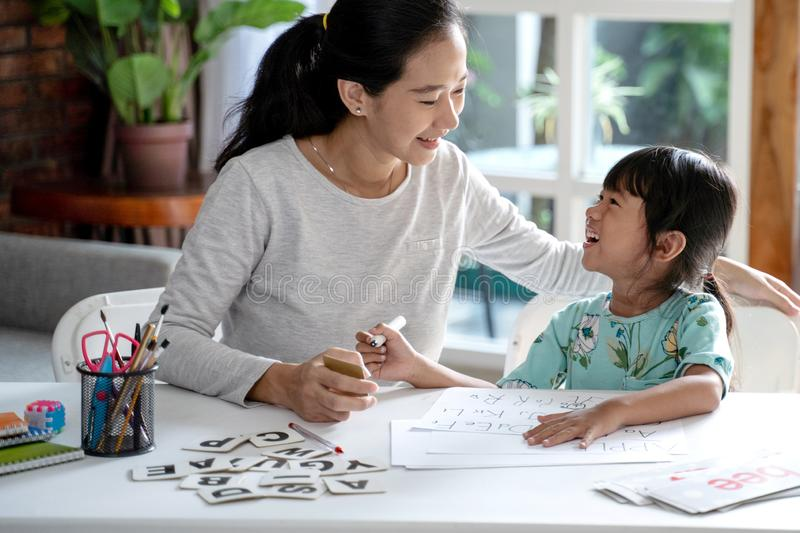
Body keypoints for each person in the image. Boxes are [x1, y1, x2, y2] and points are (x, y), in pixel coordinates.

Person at [151, 0, 800, 423]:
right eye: (430, 97)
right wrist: (286, 381)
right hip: (273, 438)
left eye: (459, 91)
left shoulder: (448, 177)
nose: (453, 117)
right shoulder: (260, 184)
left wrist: (706, 267)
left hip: (418, 435)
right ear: (356, 95)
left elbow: (559, 267)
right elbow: (169, 341)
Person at [357, 147, 738, 448]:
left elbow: (704, 389)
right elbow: (507, 399)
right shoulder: (575, 323)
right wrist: (414, 368)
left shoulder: (696, 315)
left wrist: (614, 411)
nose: (592, 211)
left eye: (614, 203)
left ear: (667, 244)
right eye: (599, 197)